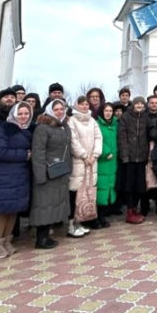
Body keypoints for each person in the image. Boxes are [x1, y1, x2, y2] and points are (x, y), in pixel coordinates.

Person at [0, 101, 34, 258]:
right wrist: (24, 155)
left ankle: (8, 240)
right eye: (20, 113)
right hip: (5, 174)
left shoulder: (28, 131)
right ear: (14, 114)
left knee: (13, 209)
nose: (23, 116)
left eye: (26, 114)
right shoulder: (5, 129)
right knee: (1, 209)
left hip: (21, 175)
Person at [30, 100, 72, 248]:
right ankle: (40, 239)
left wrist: (68, 169)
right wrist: (40, 175)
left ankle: (46, 236)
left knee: (52, 205)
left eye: (62, 109)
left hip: (59, 171)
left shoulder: (64, 127)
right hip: (47, 172)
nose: (59, 111)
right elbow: (38, 153)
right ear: (50, 110)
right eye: (56, 109)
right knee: (43, 205)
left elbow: (67, 151)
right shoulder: (43, 128)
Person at [69, 96, 103, 235]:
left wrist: (95, 155)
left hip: (92, 161)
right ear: (76, 106)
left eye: (86, 104)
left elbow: (98, 137)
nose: (84, 107)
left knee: (88, 192)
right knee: (76, 191)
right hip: (79, 161)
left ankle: (81, 221)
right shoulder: (72, 120)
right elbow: (73, 140)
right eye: (81, 104)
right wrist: (83, 155)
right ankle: (71, 224)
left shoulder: (92, 121)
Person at [118, 97, 150, 224]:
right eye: (137, 103)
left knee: (139, 186)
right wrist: (125, 155)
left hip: (141, 157)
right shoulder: (126, 117)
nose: (139, 105)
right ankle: (129, 212)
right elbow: (122, 137)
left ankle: (135, 209)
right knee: (129, 186)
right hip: (129, 158)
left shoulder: (146, 117)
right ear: (133, 105)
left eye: (142, 103)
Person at [94, 103, 118, 228]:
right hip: (103, 161)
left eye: (110, 110)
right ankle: (97, 217)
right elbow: (96, 140)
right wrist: (105, 152)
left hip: (113, 162)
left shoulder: (115, 124)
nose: (108, 113)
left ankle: (103, 215)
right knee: (101, 190)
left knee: (109, 188)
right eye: (106, 110)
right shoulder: (97, 124)